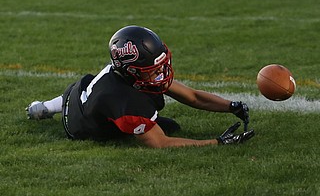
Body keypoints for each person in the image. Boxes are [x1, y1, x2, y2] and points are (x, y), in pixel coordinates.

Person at [26, 25, 255, 148]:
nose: (161, 73)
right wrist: (216, 142)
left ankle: (43, 107)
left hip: (84, 93)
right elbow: (160, 143)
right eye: (154, 69)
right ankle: (42, 109)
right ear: (134, 72)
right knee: (163, 130)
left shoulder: (131, 73)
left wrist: (230, 106)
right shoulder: (125, 101)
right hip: (81, 124)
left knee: (171, 125)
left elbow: (193, 97)